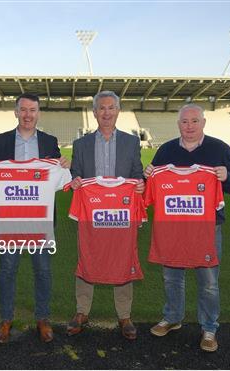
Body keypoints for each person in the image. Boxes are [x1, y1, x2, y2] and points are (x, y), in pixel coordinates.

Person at [143, 103, 230, 352]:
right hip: (172, 227)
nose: (189, 126)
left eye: (194, 121)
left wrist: (225, 177)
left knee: (208, 281)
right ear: (178, 124)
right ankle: (172, 317)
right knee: (171, 278)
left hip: (207, 227)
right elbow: (150, 187)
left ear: (203, 123)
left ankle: (209, 327)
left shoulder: (219, 149)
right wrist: (148, 176)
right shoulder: (166, 151)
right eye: (185, 122)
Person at [0, 93, 69, 344]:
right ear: (16, 112)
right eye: (23, 110)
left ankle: (43, 319)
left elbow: (59, 174)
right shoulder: (1, 140)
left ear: (39, 113)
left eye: (33, 110)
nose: (28, 115)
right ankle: (5, 319)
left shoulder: (50, 141)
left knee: (43, 271)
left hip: (41, 220)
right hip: (9, 220)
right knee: (7, 270)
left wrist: (63, 163)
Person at [68, 90, 145, 340]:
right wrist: (76, 181)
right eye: (101, 108)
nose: (106, 112)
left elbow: (137, 173)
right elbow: (74, 174)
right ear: (94, 112)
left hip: (121, 213)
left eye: (111, 107)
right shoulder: (81, 144)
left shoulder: (131, 142)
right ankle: (81, 311)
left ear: (118, 111)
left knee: (122, 257)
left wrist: (141, 183)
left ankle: (124, 315)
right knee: (87, 256)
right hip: (92, 214)